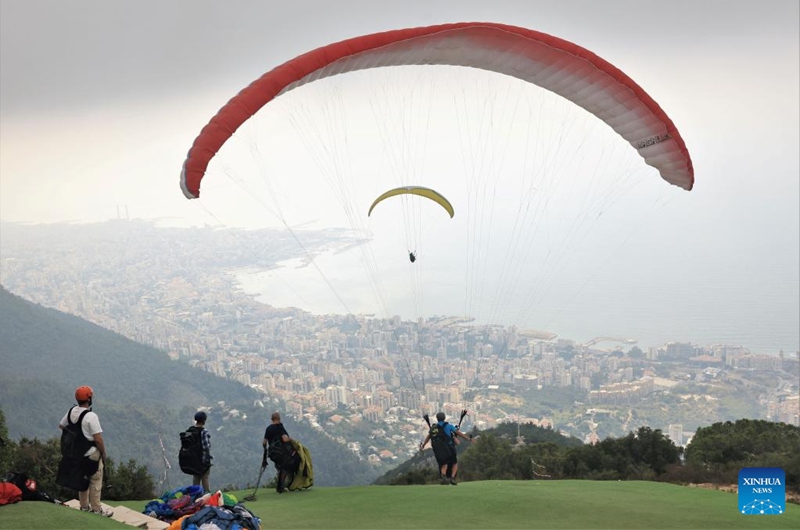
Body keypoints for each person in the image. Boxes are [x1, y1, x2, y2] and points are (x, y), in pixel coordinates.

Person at [58, 386, 113, 516]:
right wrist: (103, 453)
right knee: (95, 479)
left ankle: (83, 506)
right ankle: (97, 509)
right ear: (88, 399)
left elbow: (61, 426)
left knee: (82, 478)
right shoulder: (91, 416)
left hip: (77, 455)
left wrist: (75, 439)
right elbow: (98, 439)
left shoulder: (71, 412)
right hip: (91, 454)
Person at [420, 411, 472, 485]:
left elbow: (428, 437)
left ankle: (443, 476)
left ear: (437, 419)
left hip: (438, 450)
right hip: (449, 448)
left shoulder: (433, 428)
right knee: (454, 463)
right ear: (444, 418)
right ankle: (452, 478)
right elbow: (458, 433)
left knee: (444, 464)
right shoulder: (448, 426)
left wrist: (423, 446)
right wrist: (468, 439)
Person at [262, 412, 297, 493]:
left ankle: (280, 487)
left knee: (280, 468)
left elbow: (264, 442)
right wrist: (291, 439)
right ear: (279, 419)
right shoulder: (280, 427)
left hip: (273, 453)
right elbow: (285, 439)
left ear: (272, 419)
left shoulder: (268, 428)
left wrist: (265, 449)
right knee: (285, 468)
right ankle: (281, 487)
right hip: (282, 452)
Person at [190, 411, 212, 492]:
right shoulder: (204, 432)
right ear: (203, 420)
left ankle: (195, 499)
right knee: (205, 478)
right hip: (203, 461)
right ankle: (207, 497)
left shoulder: (190, 431)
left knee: (196, 479)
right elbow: (206, 446)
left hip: (193, 461)